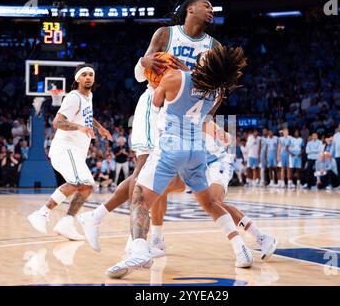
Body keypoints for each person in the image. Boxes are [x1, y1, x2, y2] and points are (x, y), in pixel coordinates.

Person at [105, 46, 272, 278]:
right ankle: (240, 248)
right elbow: (200, 105)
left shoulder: (173, 77)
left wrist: (159, 77)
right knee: (211, 203)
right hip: (197, 151)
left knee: (140, 199)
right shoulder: (216, 91)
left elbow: (155, 104)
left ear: (203, 64)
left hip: (171, 147)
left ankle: (139, 251)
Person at [77, 0, 223, 252]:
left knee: (163, 179)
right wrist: (143, 62)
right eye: (206, 5)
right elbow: (140, 71)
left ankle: (132, 228)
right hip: (154, 103)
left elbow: (215, 88)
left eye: (212, 7)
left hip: (182, 115)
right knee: (145, 170)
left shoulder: (214, 46)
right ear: (190, 8)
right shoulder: (166, 34)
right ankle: (135, 240)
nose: (210, 10)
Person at [27, 64, 112, 240]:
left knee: (87, 186)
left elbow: (88, 115)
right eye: (84, 75)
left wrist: (100, 127)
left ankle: (66, 222)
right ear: (77, 79)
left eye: (91, 74)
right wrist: (79, 127)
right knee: (78, 182)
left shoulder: (88, 97)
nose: (88, 77)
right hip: (65, 149)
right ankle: (41, 213)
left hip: (76, 153)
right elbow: (57, 123)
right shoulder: (74, 97)